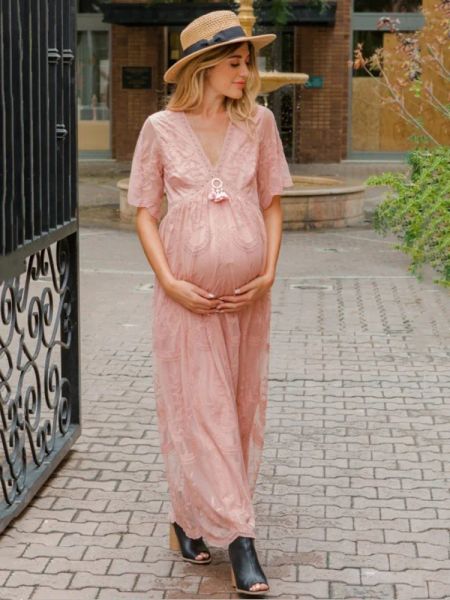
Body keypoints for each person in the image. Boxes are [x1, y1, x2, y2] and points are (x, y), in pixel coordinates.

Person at [127, 9, 293, 596]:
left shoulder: (260, 124)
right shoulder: (160, 128)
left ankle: (188, 521)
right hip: (187, 300)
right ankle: (241, 540)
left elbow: (272, 201)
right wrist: (169, 280)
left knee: (238, 409)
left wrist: (269, 270)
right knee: (200, 414)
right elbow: (145, 211)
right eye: (234, 61)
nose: (245, 72)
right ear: (203, 68)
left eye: (247, 61)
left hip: (248, 299)